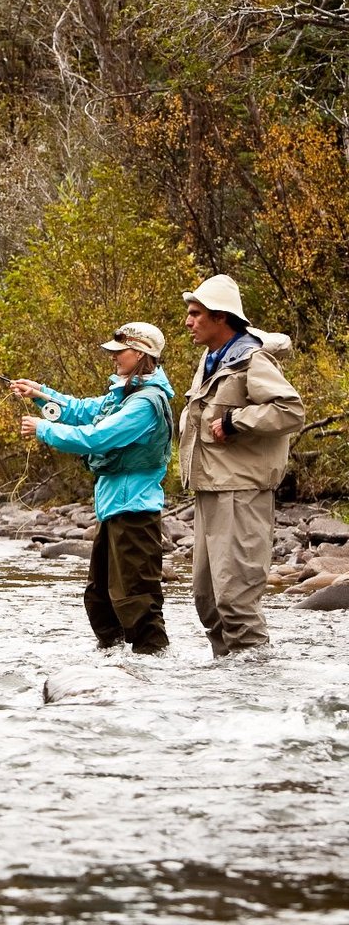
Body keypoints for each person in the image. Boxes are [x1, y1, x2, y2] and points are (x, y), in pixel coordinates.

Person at [12, 322, 174, 655]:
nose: (113, 357)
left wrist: (44, 430)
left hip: (135, 513)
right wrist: (40, 394)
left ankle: (157, 671)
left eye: (120, 352)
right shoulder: (125, 394)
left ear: (141, 354)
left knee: (137, 600)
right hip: (114, 509)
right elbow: (81, 410)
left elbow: (97, 437)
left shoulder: (145, 404)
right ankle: (112, 666)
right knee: (100, 599)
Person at [179, 274, 304, 657]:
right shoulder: (212, 358)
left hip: (241, 493)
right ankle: (228, 690)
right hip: (211, 489)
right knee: (208, 602)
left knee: (236, 603)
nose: (188, 321)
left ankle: (256, 694)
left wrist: (237, 421)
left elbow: (290, 410)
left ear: (221, 318)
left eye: (196, 313)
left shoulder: (251, 359)